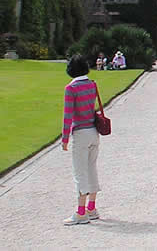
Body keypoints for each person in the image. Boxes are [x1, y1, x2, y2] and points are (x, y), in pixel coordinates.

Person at [61, 54, 102, 225]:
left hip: (81, 132)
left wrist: (64, 138)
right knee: (92, 169)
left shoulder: (71, 88)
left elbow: (68, 116)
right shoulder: (92, 85)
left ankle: (80, 212)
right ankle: (91, 207)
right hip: (94, 131)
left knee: (80, 173)